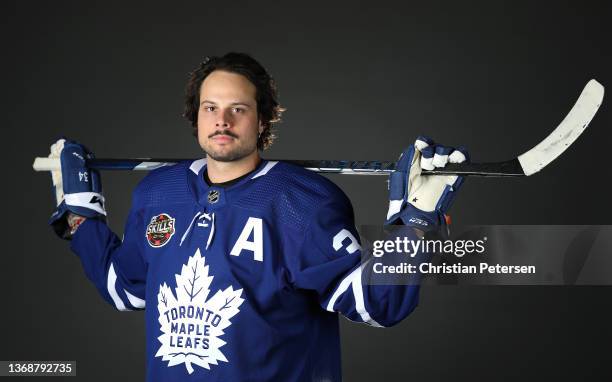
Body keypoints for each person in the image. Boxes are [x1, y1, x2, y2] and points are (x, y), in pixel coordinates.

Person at [47, 52, 468, 381]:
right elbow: (126, 289)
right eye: (210, 107)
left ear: (263, 118)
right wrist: (82, 216)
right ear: (194, 116)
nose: (222, 121)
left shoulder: (302, 203)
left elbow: (378, 302)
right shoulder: (158, 193)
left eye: (238, 109)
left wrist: (415, 224)